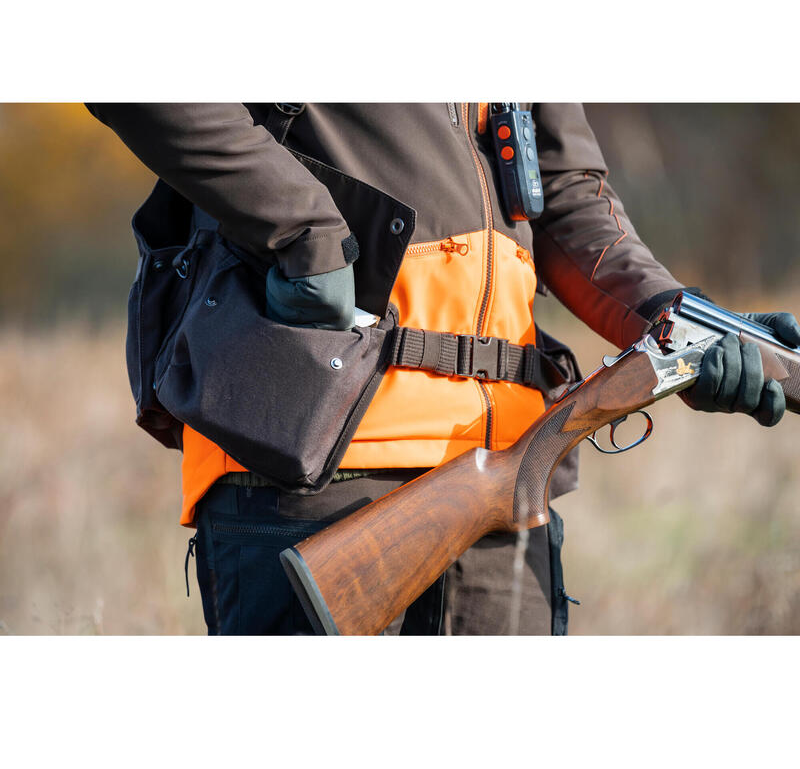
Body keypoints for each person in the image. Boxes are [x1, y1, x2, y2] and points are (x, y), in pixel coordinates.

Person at [87, 103, 800, 635]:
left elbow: (567, 197)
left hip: (501, 487)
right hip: (314, 458)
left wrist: (691, 325)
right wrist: (305, 229)